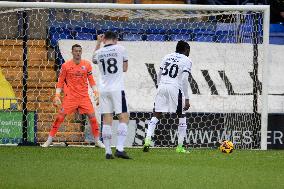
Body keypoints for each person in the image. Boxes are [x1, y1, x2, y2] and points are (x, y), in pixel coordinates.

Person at [41, 44, 104, 148]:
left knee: (92, 117)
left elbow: (91, 81)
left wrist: (96, 92)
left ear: (81, 52)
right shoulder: (66, 66)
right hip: (70, 98)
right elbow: (60, 81)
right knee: (60, 117)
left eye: (79, 51)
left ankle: (97, 141)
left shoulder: (87, 65)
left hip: (84, 97)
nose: (77, 53)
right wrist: (57, 95)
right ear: (72, 52)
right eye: (75, 51)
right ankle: (49, 140)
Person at [143, 40, 192, 153]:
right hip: (175, 87)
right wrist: (187, 98)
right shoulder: (187, 60)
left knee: (156, 114)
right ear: (186, 50)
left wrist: (159, 86)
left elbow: (159, 74)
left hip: (162, 86)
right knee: (182, 116)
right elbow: (184, 79)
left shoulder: (166, 57)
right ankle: (180, 147)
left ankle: (147, 140)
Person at [93, 31, 131, 159]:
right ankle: (119, 148)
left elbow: (94, 60)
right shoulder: (121, 49)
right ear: (115, 39)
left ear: (104, 39)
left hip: (103, 90)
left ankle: (108, 151)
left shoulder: (98, 53)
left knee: (107, 120)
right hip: (117, 89)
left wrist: (98, 43)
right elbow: (125, 68)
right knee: (124, 117)